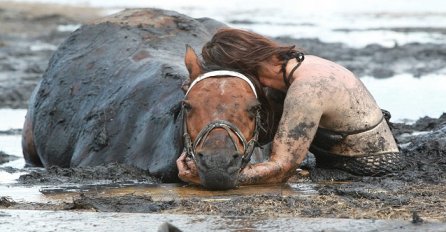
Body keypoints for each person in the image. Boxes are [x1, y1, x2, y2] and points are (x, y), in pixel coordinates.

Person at [177, 28, 402, 185]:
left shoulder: (307, 90)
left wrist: (210, 175)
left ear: (244, 67)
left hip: (366, 170)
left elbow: (281, 169)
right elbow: (265, 134)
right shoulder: (293, 69)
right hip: (341, 161)